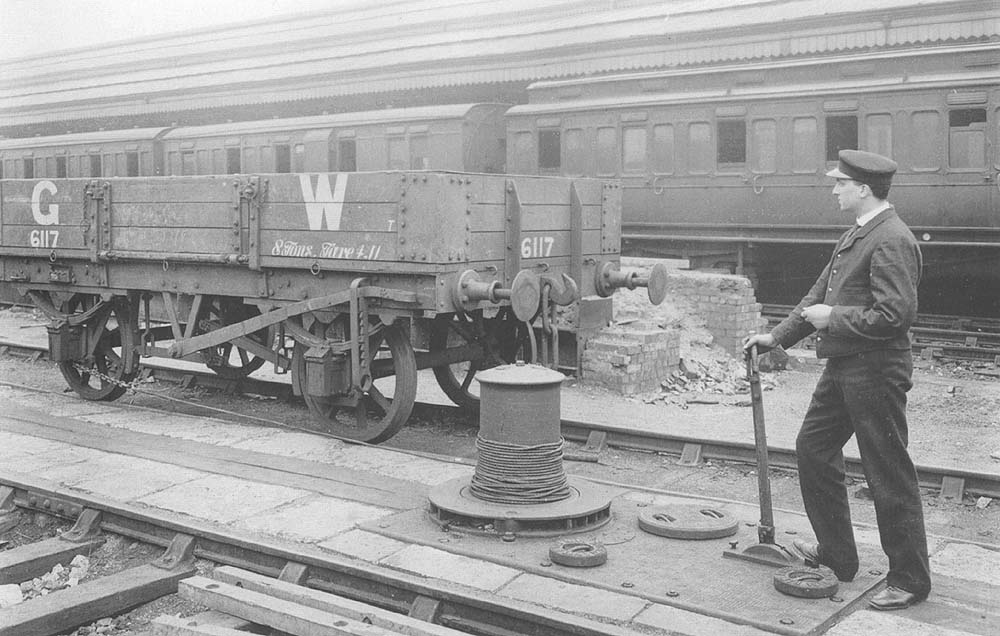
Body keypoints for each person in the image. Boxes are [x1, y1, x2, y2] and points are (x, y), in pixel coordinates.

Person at [744, 149, 931, 610]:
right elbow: (818, 296)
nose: (834, 190)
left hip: (877, 371)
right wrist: (776, 337)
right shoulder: (858, 233)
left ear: (863, 188)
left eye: (840, 183)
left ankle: (909, 578)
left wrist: (834, 318)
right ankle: (839, 556)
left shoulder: (891, 239)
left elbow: (894, 316)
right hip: (845, 366)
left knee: (886, 470)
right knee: (814, 447)